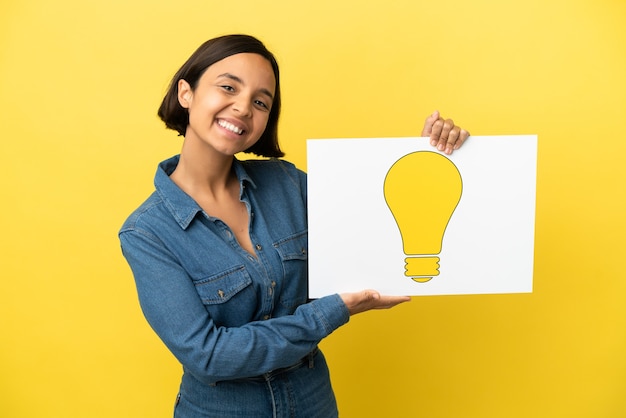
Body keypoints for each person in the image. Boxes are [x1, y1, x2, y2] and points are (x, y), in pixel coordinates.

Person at [119, 34, 470, 418]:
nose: (242, 108)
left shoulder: (288, 184)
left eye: (260, 101)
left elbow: (379, 222)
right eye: (228, 87)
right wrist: (331, 312)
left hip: (312, 402)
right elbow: (209, 356)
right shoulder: (147, 233)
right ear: (186, 92)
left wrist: (424, 156)